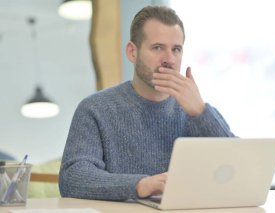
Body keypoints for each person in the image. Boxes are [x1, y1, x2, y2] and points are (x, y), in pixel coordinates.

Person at [59, 5, 234, 201]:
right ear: (132, 52)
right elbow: (72, 178)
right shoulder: (95, 109)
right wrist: (138, 185)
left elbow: (240, 171)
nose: (169, 59)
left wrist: (201, 113)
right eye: (158, 48)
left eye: (176, 49)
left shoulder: (198, 110)